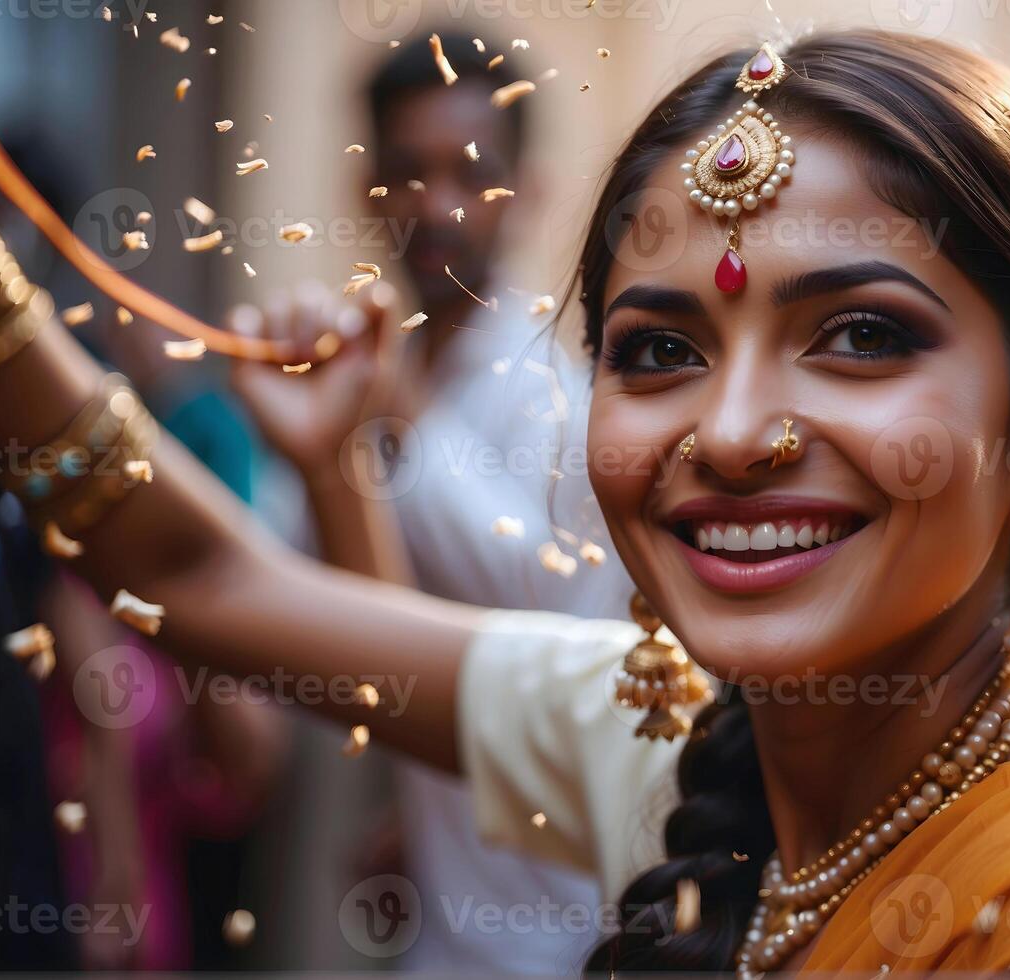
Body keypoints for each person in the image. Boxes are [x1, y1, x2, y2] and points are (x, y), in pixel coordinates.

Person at [0, 31, 1010, 975]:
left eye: (862, 337)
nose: (734, 432)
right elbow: (208, 581)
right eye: (657, 352)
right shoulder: (685, 741)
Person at [227, 36, 635, 973]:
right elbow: (310, 618)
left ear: (525, 192)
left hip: (549, 927)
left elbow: (538, 629)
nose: (437, 206)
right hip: (420, 908)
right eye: (407, 174)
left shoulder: (562, 401)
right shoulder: (364, 382)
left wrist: (387, 424)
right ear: (366, 189)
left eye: (471, 174)